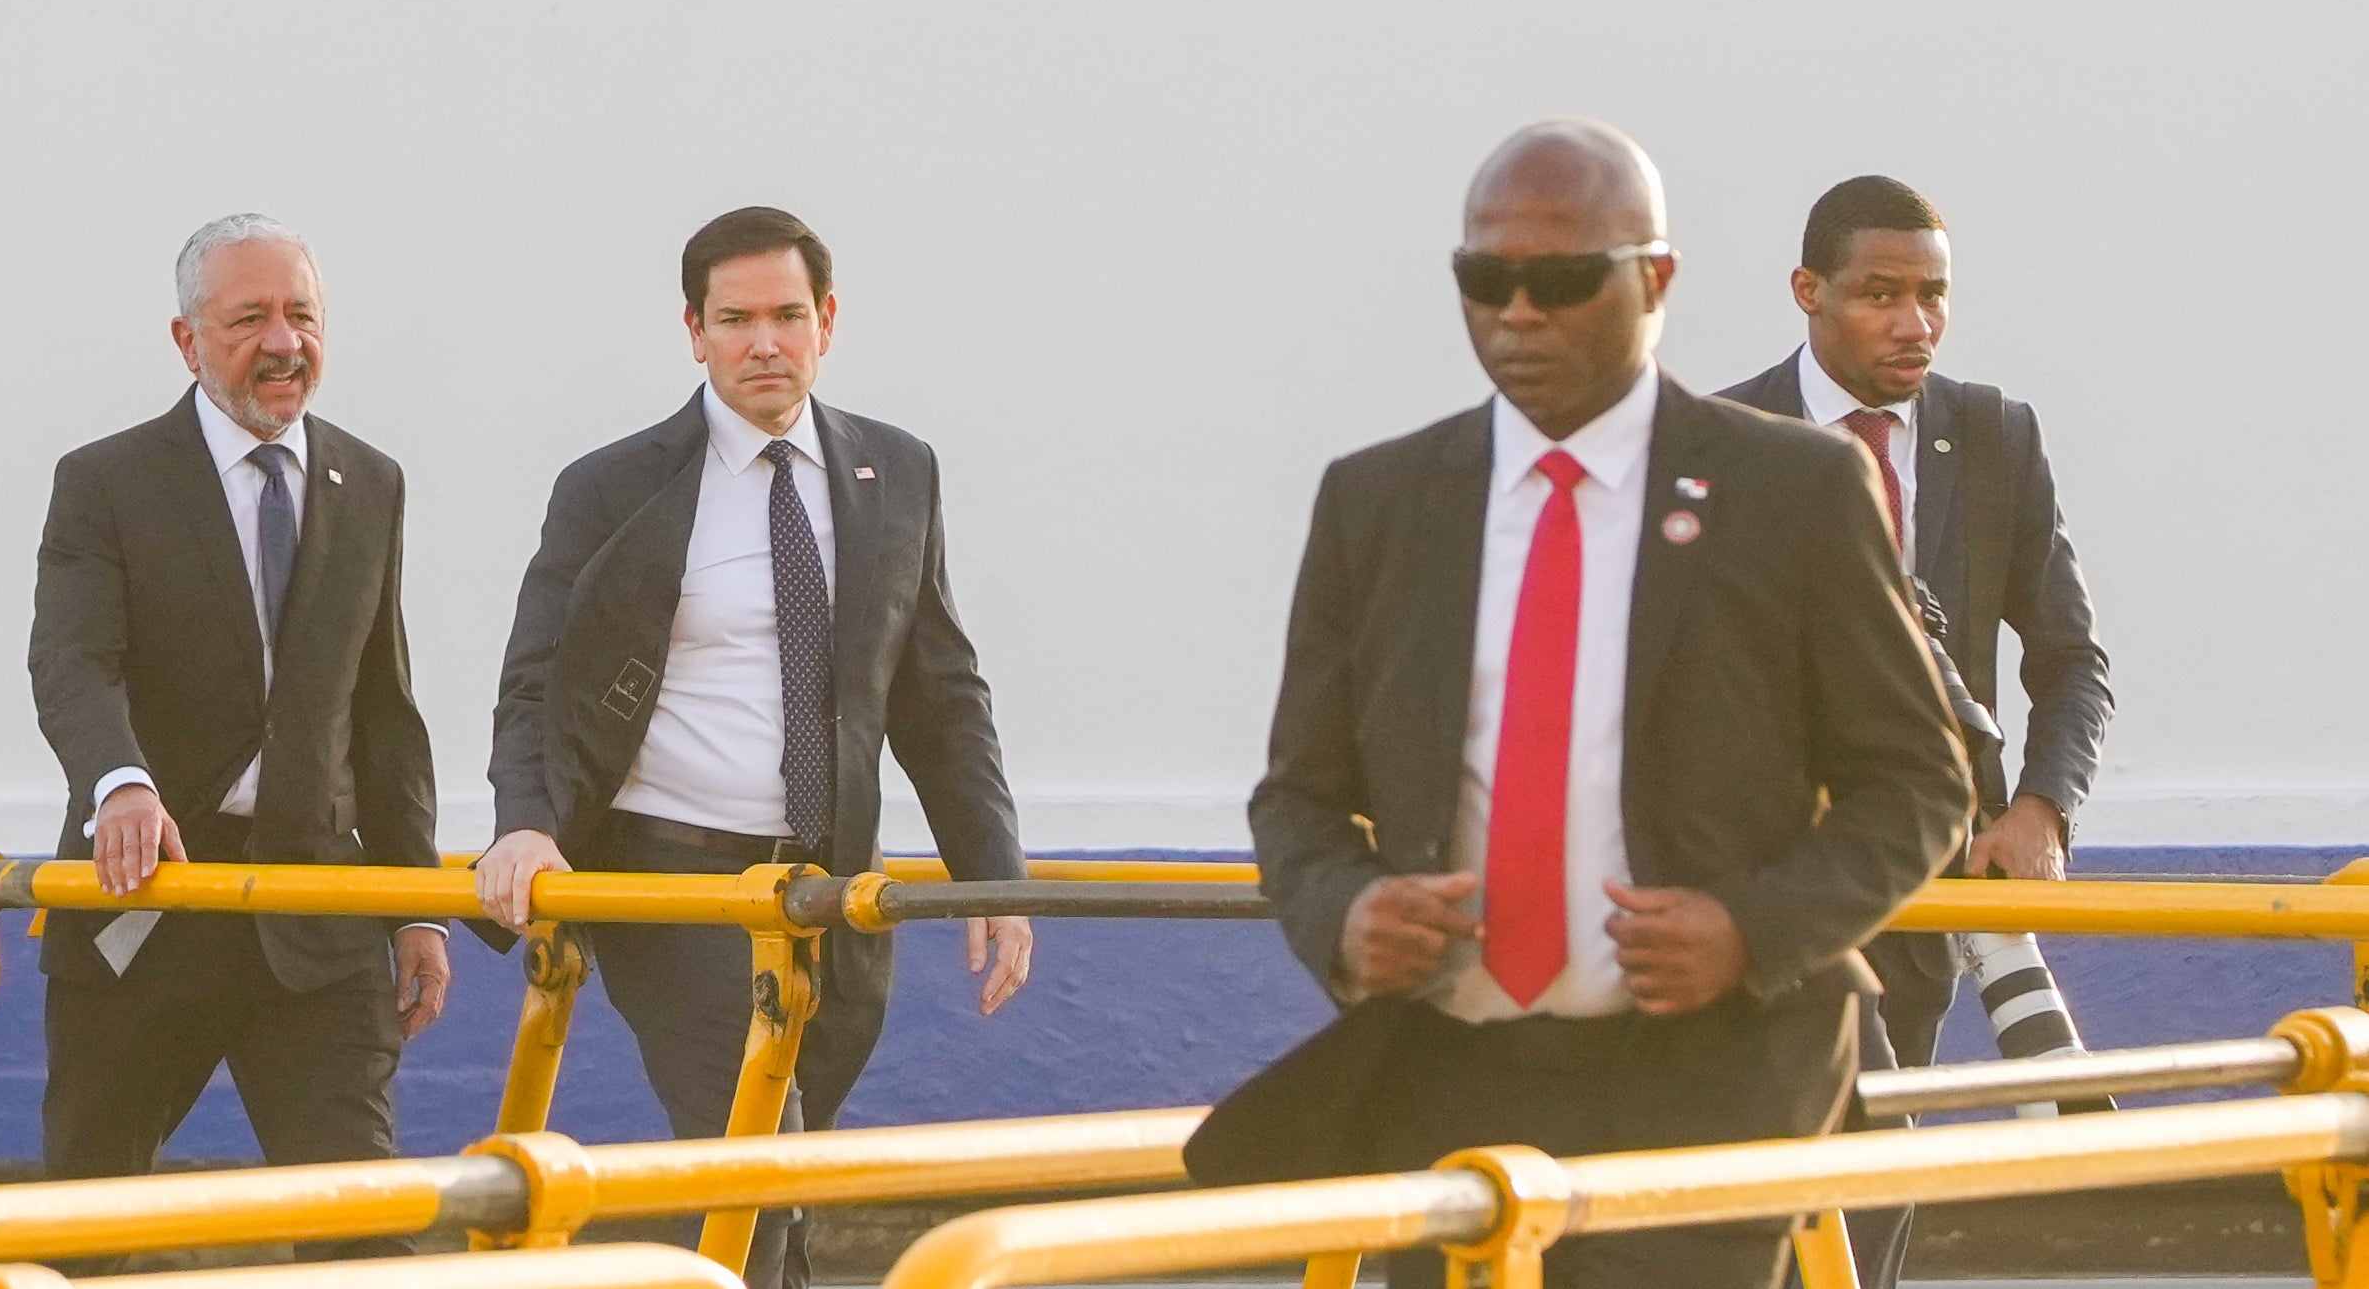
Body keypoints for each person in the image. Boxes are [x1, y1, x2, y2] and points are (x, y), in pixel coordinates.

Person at [1201, 120, 1975, 1289]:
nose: (1517, 314)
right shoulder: (1379, 504)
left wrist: (1748, 932)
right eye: (1484, 280)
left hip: (1710, 1077)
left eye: (1560, 282)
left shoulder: (1794, 491)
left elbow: (1916, 785)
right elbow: (1297, 800)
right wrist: (1348, 917)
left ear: (1653, 280)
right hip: (1446, 1076)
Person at [476, 210, 1031, 1289]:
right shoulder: (611, 487)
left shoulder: (896, 471)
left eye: (786, 315)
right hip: (672, 877)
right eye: (734, 320)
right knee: (754, 1135)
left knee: (778, 1173)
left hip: (832, 881)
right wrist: (526, 824)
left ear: (826, 322)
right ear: (693, 331)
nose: (762, 343)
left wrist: (994, 875)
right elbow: (539, 682)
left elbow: (940, 694)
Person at [1727, 177, 2112, 1289]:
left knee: (1875, 1170)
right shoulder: (1718, 435)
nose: (1915, 323)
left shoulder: (1989, 437)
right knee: (1813, 1152)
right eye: (1881, 294)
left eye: (1933, 295)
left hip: (1926, 883)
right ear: (1808, 293)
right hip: (1763, 879)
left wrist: (2040, 808)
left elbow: (2070, 656)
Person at [28, 214, 449, 1181]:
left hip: (317, 917)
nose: (283, 342)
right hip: (150, 902)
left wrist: (418, 900)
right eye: (249, 317)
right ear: (187, 341)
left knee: (359, 1223)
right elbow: (70, 662)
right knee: (82, 1225)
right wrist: (119, 784)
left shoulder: (369, 481)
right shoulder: (106, 481)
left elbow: (381, 707)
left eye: (302, 315)